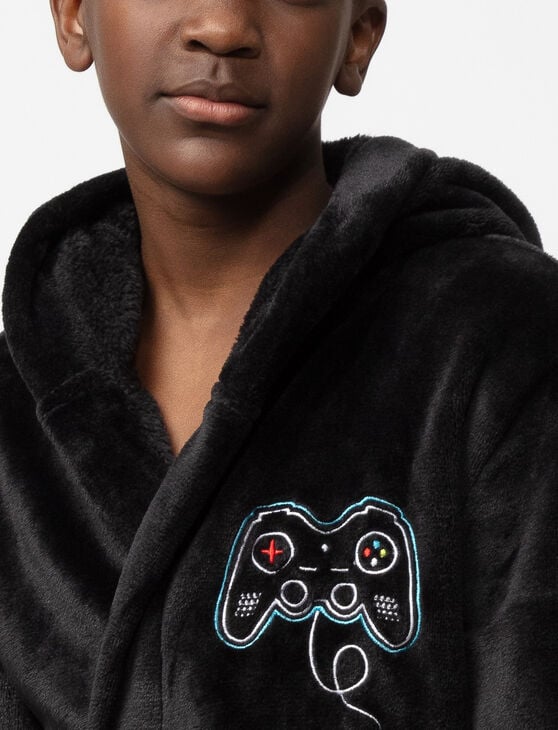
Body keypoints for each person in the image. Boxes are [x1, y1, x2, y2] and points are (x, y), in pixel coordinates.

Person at [1, 0, 557, 727]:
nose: (222, 27)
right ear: (75, 16)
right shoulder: (14, 420)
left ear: (358, 35)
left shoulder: (504, 344)